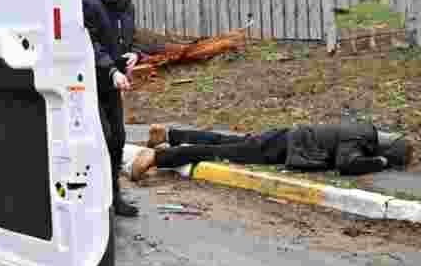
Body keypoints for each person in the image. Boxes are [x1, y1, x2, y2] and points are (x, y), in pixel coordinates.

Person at [128, 123, 413, 181]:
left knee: (226, 142)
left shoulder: (364, 129)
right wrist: (382, 162)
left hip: (286, 137)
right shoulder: (362, 138)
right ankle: (157, 157)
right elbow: (346, 165)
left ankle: (169, 135)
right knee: (217, 152)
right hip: (285, 145)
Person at [83, 0, 142, 217]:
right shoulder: (88, 3)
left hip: (114, 84)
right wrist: (111, 69)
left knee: (118, 139)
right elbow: (89, 44)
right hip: (89, 83)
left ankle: (114, 197)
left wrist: (135, 53)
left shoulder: (126, 5)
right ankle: (97, 198)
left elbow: (131, 38)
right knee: (102, 138)